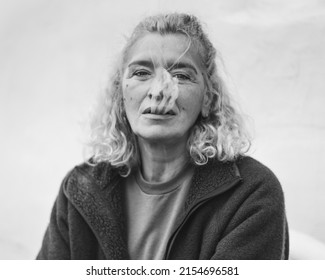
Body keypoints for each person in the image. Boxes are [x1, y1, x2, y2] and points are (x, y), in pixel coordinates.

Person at [37, 13, 289, 260]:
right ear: (120, 94)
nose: (159, 91)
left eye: (180, 76)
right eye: (141, 73)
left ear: (208, 99)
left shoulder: (252, 192)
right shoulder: (80, 190)